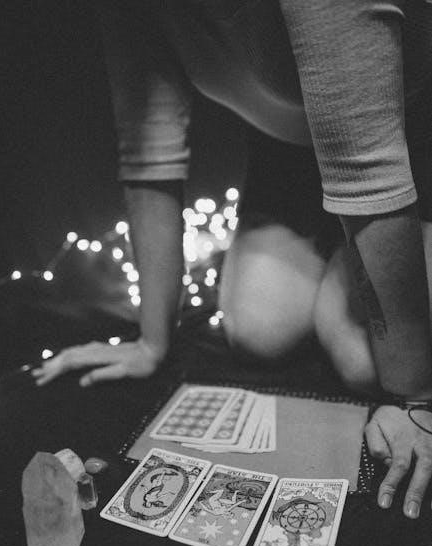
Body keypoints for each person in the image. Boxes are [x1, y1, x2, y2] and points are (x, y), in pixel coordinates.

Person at [33, 0, 432, 518]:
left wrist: (416, 400)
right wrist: (151, 342)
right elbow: (149, 150)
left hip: (407, 145)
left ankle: (354, 264)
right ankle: (343, 259)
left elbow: (369, 167)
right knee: (257, 332)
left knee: (364, 362)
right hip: (287, 157)